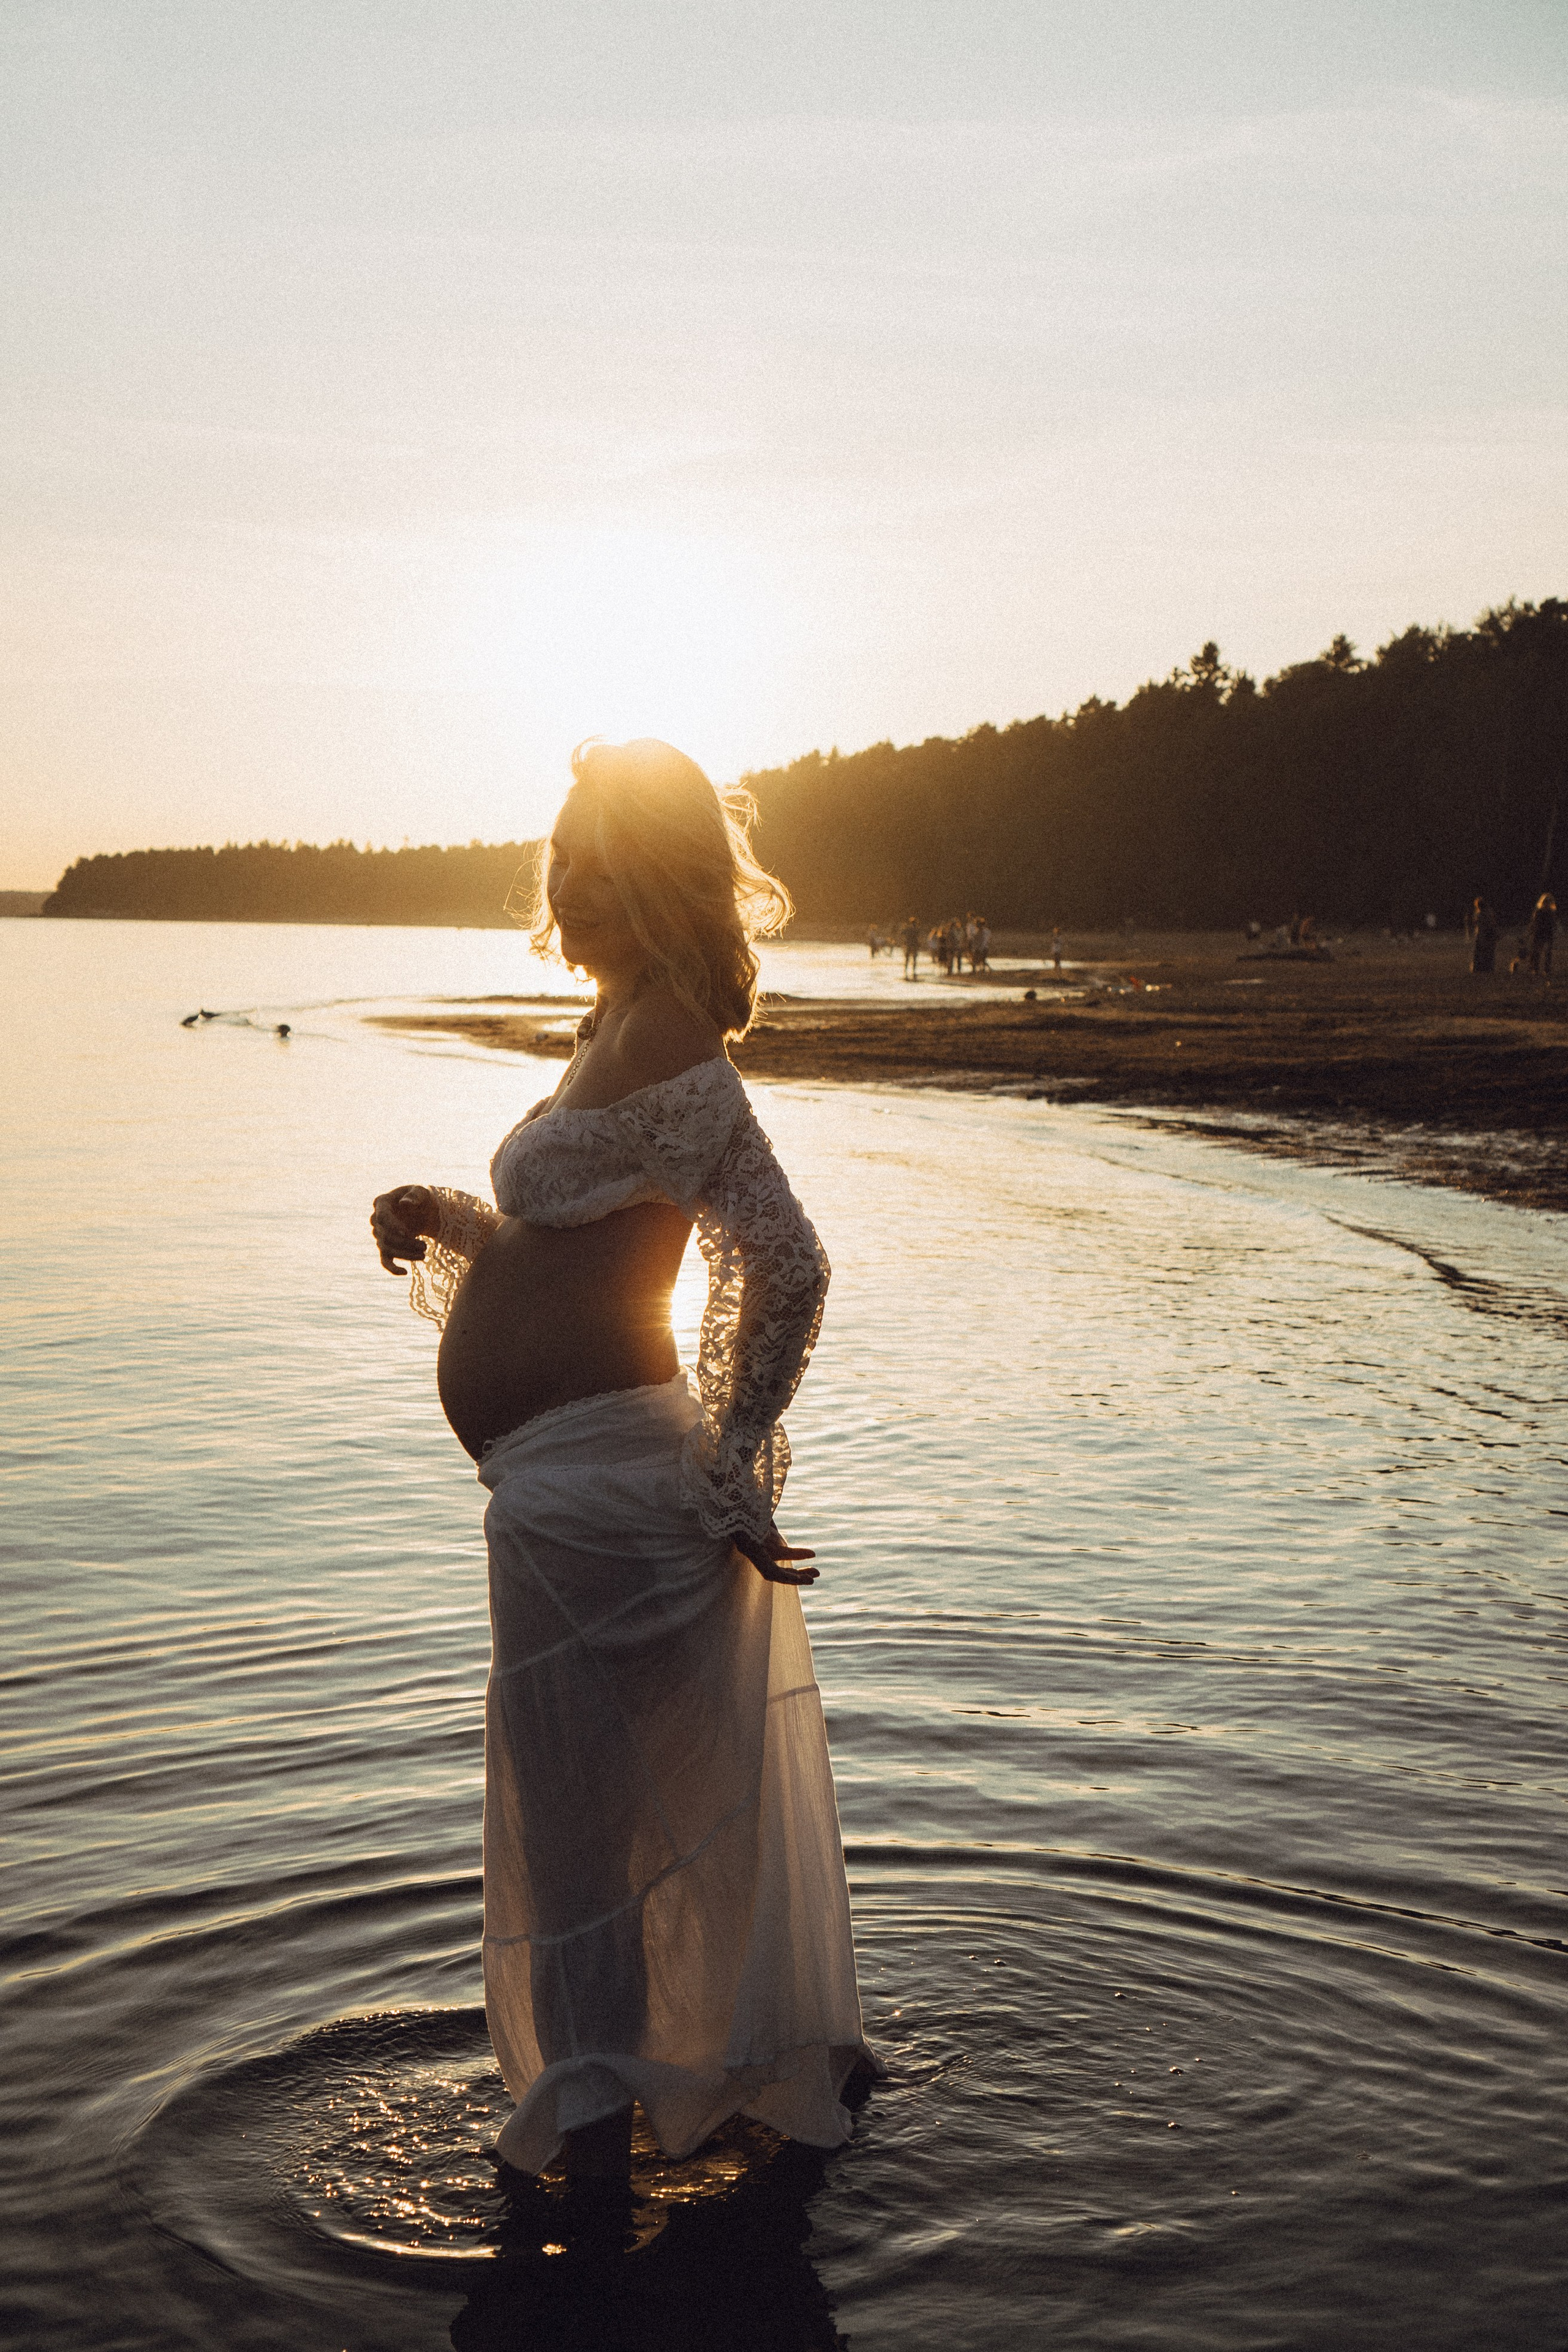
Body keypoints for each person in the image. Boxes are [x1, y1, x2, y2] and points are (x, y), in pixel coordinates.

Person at [369, 739, 872, 2195]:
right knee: (612, 1826)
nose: (568, 875)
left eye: (600, 851)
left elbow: (783, 1261)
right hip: (562, 1494)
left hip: (600, 1502)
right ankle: (668, 2111)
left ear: (656, 871)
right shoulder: (614, 1028)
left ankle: (589, 2169)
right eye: (560, 847)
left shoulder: (669, 1041)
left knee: (582, 1844)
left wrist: (732, 1471)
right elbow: (588, 1245)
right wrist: (458, 1224)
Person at [1527, 891, 1556, 979]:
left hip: (1548, 934)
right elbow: (1534, 923)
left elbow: (1553, 923)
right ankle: (1535, 969)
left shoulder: (1551, 913)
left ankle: (1546, 970)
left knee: (1548, 953)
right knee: (1537, 953)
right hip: (1539, 934)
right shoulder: (1539, 912)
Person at [1468, 896, 1500, 974]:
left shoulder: (1480, 914)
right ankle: (1488, 968)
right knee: (1489, 953)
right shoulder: (1489, 912)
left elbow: (1477, 923)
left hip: (1482, 935)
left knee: (1479, 953)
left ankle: (1478, 968)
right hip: (1488, 935)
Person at [900, 913, 920, 978]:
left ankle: (905, 972)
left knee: (907, 959)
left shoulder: (908, 929)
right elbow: (918, 938)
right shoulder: (916, 930)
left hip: (908, 945)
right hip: (914, 946)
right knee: (914, 960)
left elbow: (901, 933)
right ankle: (913, 972)